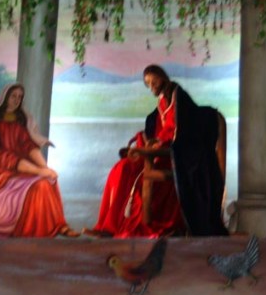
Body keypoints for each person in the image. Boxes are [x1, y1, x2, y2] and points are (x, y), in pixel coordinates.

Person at [87, 64, 229, 238]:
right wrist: (150, 141)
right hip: (159, 150)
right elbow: (158, 130)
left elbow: (182, 130)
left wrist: (161, 143)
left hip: (175, 154)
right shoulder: (161, 102)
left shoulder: (178, 97)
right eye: (148, 83)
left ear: (163, 78)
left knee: (137, 174)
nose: (151, 86)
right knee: (121, 168)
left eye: (154, 81)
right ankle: (108, 226)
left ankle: (135, 225)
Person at [0, 82, 80, 238]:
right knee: (40, 185)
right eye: (13, 96)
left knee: (49, 180)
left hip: (20, 170)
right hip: (0, 175)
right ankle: (34, 230)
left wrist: (45, 168)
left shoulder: (18, 124)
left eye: (20, 97)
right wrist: (38, 170)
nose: (16, 100)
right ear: (5, 98)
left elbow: (28, 146)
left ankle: (59, 225)